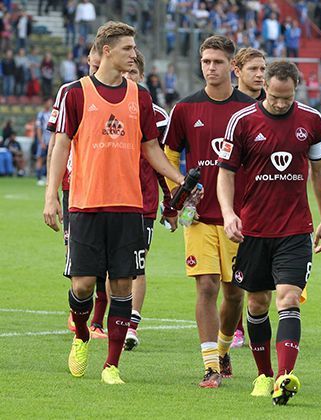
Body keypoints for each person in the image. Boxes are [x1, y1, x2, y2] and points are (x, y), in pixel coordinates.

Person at [42, 21, 185, 385]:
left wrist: (180, 178)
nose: (133, 54)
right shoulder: (74, 93)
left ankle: (112, 365)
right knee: (83, 286)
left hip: (128, 207)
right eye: (127, 48)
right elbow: (60, 145)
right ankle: (81, 334)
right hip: (86, 205)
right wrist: (51, 197)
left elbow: (151, 149)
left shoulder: (141, 96)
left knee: (122, 285)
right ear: (107, 50)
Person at [217, 60, 321, 405]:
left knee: (289, 298)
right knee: (256, 301)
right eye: (275, 96)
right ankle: (263, 374)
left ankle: (284, 377)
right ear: (264, 85)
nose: (281, 103)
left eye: (288, 97)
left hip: (295, 229)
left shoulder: (311, 121)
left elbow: (319, 171)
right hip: (254, 229)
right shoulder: (242, 121)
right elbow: (226, 173)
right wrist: (228, 213)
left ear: (296, 88)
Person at [162, 35, 255, 389]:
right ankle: (210, 366)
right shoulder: (185, 109)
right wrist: (178, 193)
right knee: (206, 286)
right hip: (198, 216)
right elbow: (169, 154)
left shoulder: (249, 110)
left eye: (217, 62)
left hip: (239, 218)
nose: (210, 68)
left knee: (234, 294)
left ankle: (223, 347)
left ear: (232, 67)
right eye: (205, 62)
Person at [46, 45, 110, 339]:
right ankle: (81, 318)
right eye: (94, 65)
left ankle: (96, 321)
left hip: (110, 188)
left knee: (109, 265)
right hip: (75, 187)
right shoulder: (71, 91)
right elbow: (58, 142)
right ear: (89, 60)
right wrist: (53, 190)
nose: (98, 70)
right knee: (79, 259)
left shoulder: (121, 92)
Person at [122, 49, 176, 351]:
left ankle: (132, 325)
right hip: (110, 199)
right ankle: (111, 320)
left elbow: (161, 163)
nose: (128, 78)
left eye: (133, 73)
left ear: (141, 76)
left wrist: (169, 202)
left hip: (143, 201)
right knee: (112, 268)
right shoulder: (107, 107)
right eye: (125, 73)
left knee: (137, 265)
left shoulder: (158, 117)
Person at [228, 46, 267, 348]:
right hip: (232, 201)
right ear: (237, 70)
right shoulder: (231, 110)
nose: (259, 75)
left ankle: (254, 323)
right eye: (253, 69)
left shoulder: (273, 107)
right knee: (232, 273)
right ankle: (234, 328)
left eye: (263, 69)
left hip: (264, 201)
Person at [35, 98, 53, 185]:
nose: (50, 104)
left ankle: (46, 176)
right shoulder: (41, 115)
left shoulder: (52, 113)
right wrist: (41, 141)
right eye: (49, 102)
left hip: (50, 139)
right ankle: (38, 177)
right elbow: (38, 128)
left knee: (49, 158)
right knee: (40, 158)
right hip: (43, 140)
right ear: (45, 103)